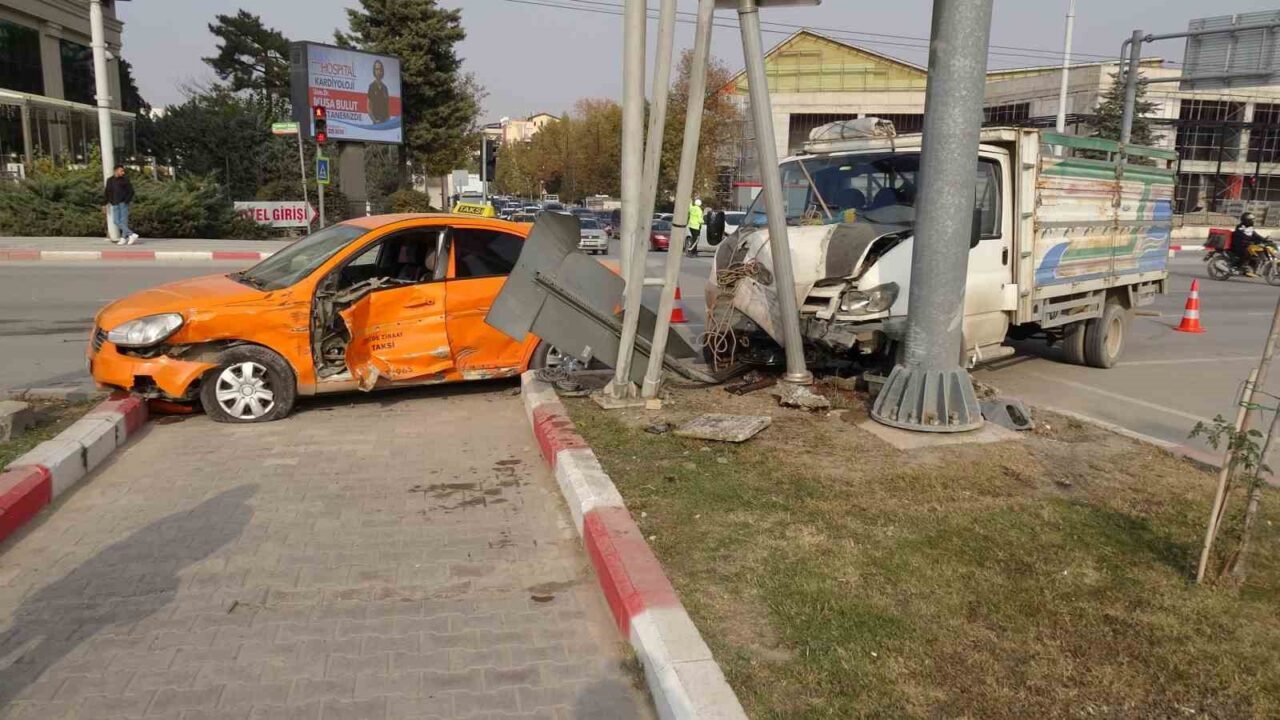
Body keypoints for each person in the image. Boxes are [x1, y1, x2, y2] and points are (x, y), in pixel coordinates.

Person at [103, 164, 138, 245]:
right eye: (121, 171)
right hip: (114, 204)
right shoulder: (110, 180)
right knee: (116, 221)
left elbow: (131, 191)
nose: (123, 172)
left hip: (123, 204)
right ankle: (132, 234)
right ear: (116, 171)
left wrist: (126, 201)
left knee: (123, 221)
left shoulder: (125, 180)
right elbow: (107, 192)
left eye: (123, 171)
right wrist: (104, 203)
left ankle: (123, 238)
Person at [1231, 211, 1266, 277]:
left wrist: (1264, 239)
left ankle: (1251, 269)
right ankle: (1236, 267)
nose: (1253, 221)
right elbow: (1243, 236)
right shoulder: (1240, 227)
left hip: (1245, 245)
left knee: (1257, 253)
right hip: (1238, 246)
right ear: (1246, 220)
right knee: (1247, 253)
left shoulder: (1249, 228)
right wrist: (1251, 241)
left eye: (1253, 220)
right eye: (1251, 220)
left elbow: (1255, 235)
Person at [367, 60, 390, 124]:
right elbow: (368, 108)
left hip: (385, 123)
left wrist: (388, 120)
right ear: (374, 71)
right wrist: (374, 120)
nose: (378, 71)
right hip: (376, 123)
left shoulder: (385, 88)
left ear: (382, 71)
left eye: (380, 69)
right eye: (377, 69)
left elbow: (387, 107)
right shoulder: (372, 86)